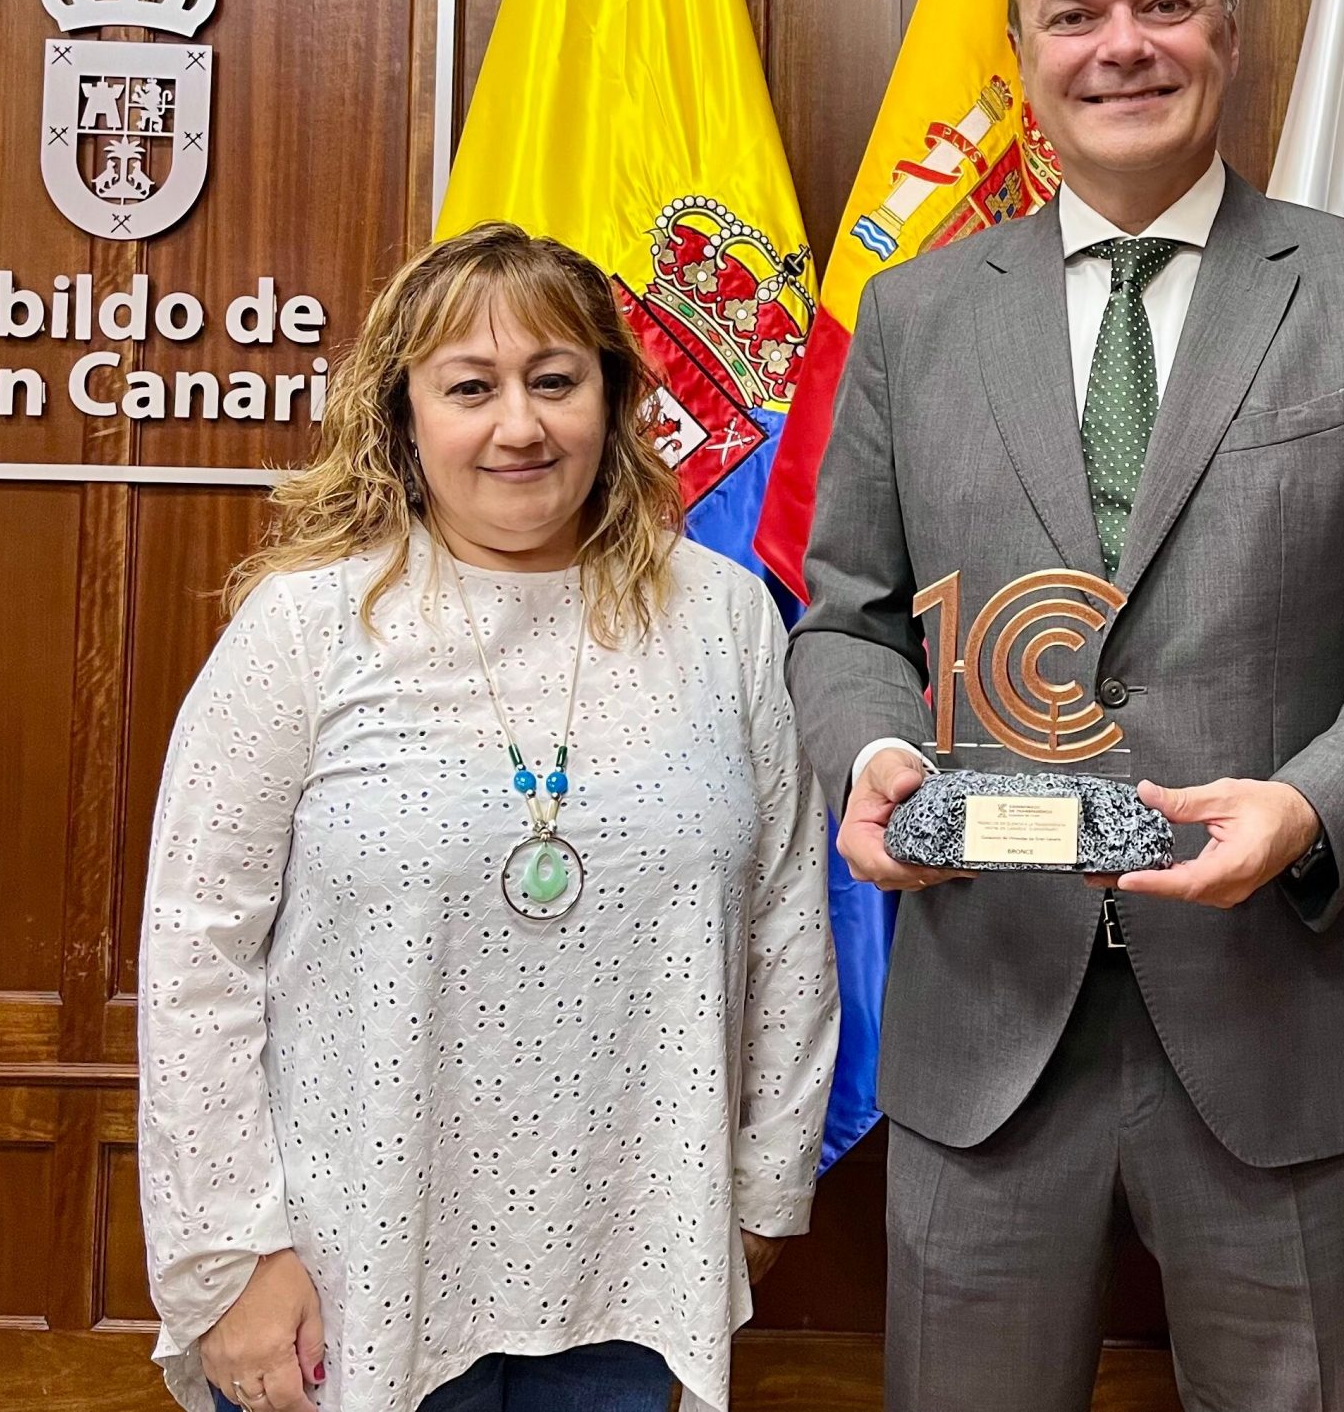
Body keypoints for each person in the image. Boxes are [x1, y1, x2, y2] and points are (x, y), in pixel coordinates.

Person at [788, 0, 1344, 1412]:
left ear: (1230, 35)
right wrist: (873, 757)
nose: (1120, 44)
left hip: (1296, 1016)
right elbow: (844, 616)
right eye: (1075, 14)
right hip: (987, 1018)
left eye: (1163, 5)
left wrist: (1313, 807)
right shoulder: (916, 316)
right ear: (1021, 61)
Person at [137, 223, 836, 1412]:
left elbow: (785, 920)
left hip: (639, 1273)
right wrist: (231, 1262)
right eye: (470, 386)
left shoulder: (723, 618)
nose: (519, 424)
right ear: (403, 416)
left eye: (555, 379)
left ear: (613, 400)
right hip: (347, 1269)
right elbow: (195, 957)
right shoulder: (304, 626)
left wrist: (763, 1194)